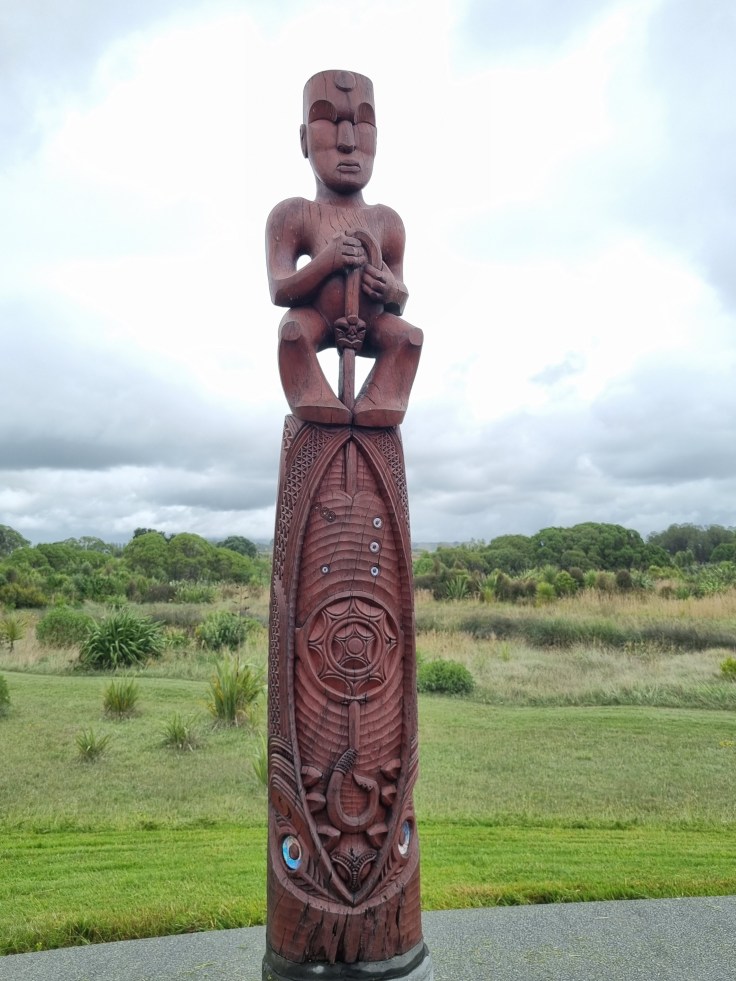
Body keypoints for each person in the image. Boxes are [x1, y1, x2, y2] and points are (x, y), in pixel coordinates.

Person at [266, 69, 423, 427]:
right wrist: (326, 263)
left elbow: (400, 296)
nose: (348, 141)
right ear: (304, 140)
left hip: (371, 323)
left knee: (409, 338)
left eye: (362, 124)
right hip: (318, 320)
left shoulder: (387, 221)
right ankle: (313, 397)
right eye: (328, 121)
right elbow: (280, 288)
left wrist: (387, 286)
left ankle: (381, 400)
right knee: (293, 332)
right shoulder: (293, 214)